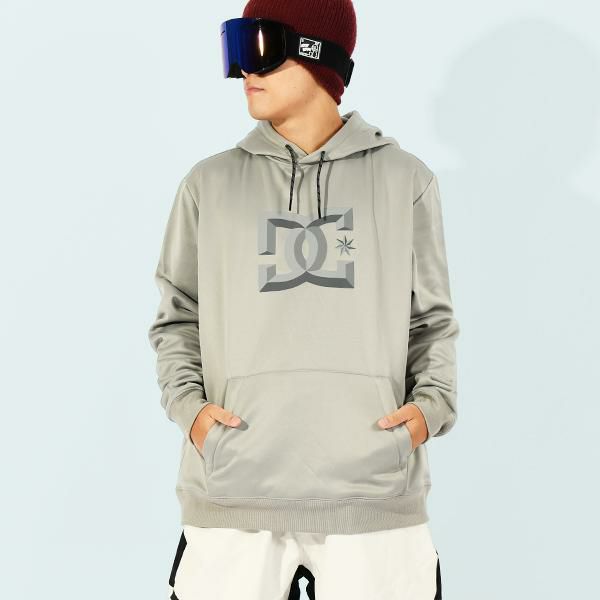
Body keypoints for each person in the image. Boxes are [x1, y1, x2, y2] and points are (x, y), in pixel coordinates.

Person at [148, 1, 459, 598]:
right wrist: (192, 412)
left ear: (317, 54)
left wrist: (430, 409)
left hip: (374, 492)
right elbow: (177, 316)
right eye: (235, 50)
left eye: (258, 47)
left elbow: (431, 321)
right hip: (233, 487)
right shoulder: (208, 184)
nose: (244, 70)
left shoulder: (406, 181)